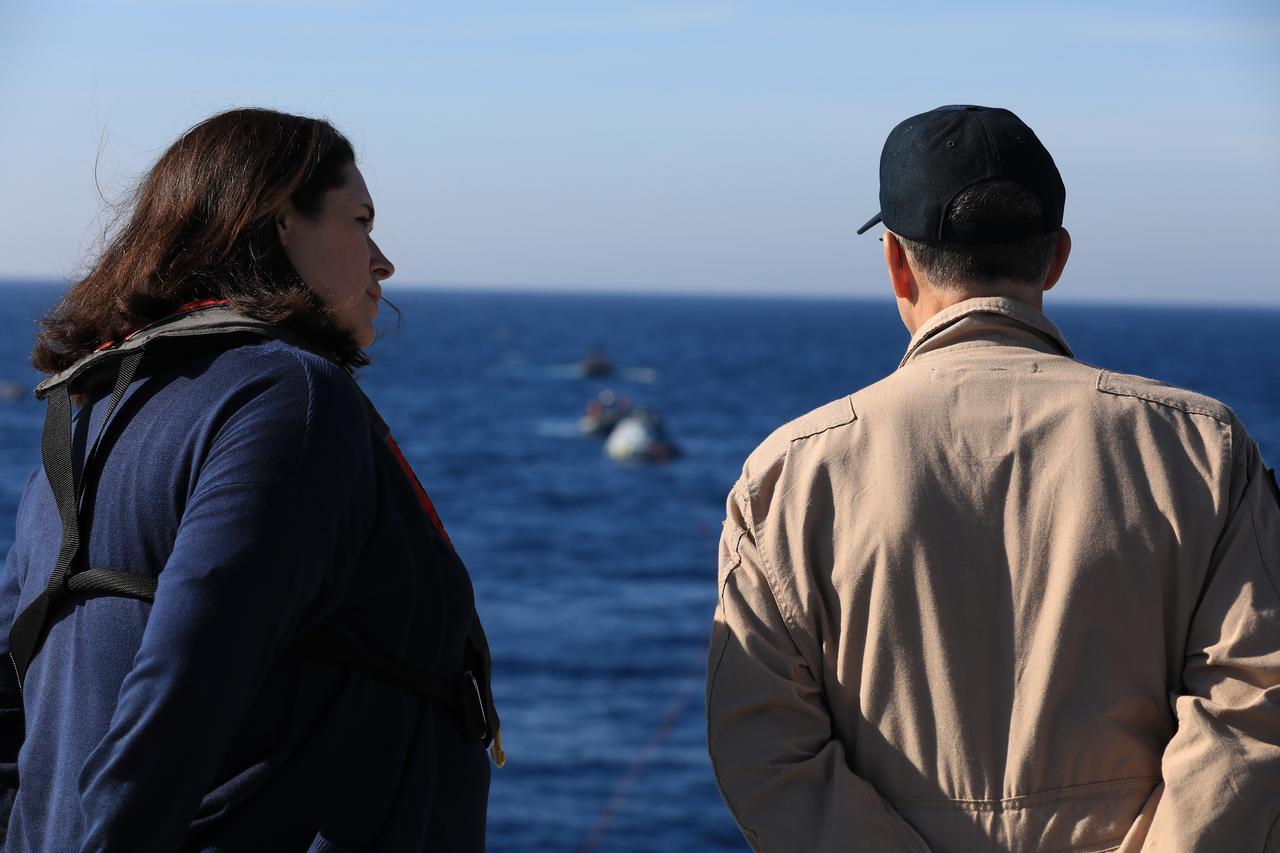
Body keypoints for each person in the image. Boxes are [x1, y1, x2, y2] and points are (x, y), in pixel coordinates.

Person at [706, 105, 1280, 851]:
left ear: (896, 262)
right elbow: (1254, 707)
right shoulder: (1204, 448)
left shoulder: (790, 471)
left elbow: (763, 747)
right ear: (1055, 258)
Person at [0, 108, 497, 851]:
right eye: (360, 220)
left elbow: (12, 709)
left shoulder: (89, 415)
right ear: (277, 220)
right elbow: (187, 685)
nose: (382, 260)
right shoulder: (289, 396)